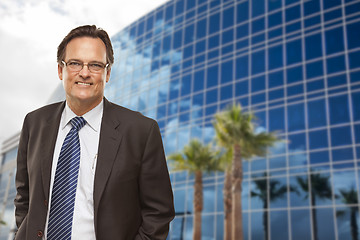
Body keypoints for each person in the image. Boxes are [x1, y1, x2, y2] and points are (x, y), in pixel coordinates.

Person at [14, 25, 175, 240]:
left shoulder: (141, 131)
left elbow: (158, 215)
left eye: (96, 65)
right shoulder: (34, 122)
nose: (84, 73)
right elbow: (24, 198)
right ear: (61, 70)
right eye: (74, 63)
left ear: (107, 73)